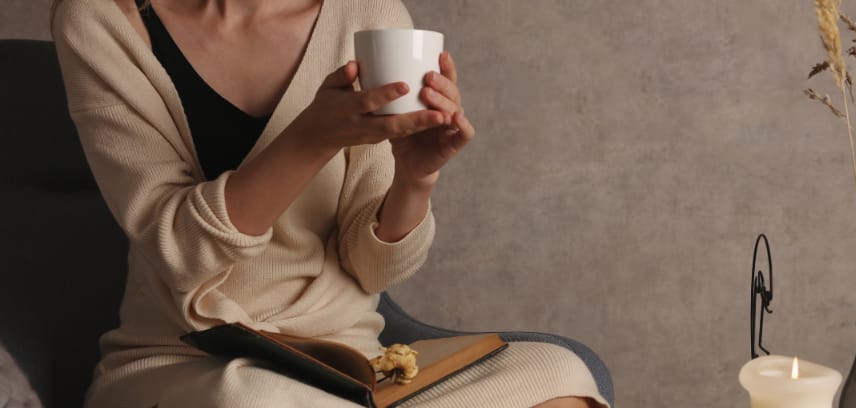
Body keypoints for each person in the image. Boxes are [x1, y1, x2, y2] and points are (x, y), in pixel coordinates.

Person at [50, 0, 608, 407]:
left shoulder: (370, 17)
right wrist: (311, 138)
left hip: (349, 363)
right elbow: (178, 251)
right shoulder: (104, 19)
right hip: (188, 361)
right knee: (261, 401)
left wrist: (415, 178)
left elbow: (372, 270)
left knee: (556, 374)